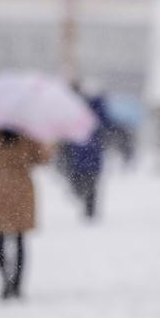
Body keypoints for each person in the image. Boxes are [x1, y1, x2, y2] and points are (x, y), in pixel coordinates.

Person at [0, 123, 50, 300]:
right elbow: (41, 159)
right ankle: (17, 284)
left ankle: (5, 280)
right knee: (20, 239)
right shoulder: (28, 126)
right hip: (21, 184)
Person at [60, 86, 110, 220]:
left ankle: (87, 206)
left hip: (80, 154)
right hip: (91, 155)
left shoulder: (77, 108)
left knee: (82, 182)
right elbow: (106, 127)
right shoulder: (98, 112)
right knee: (91, 184)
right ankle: (90, 209)